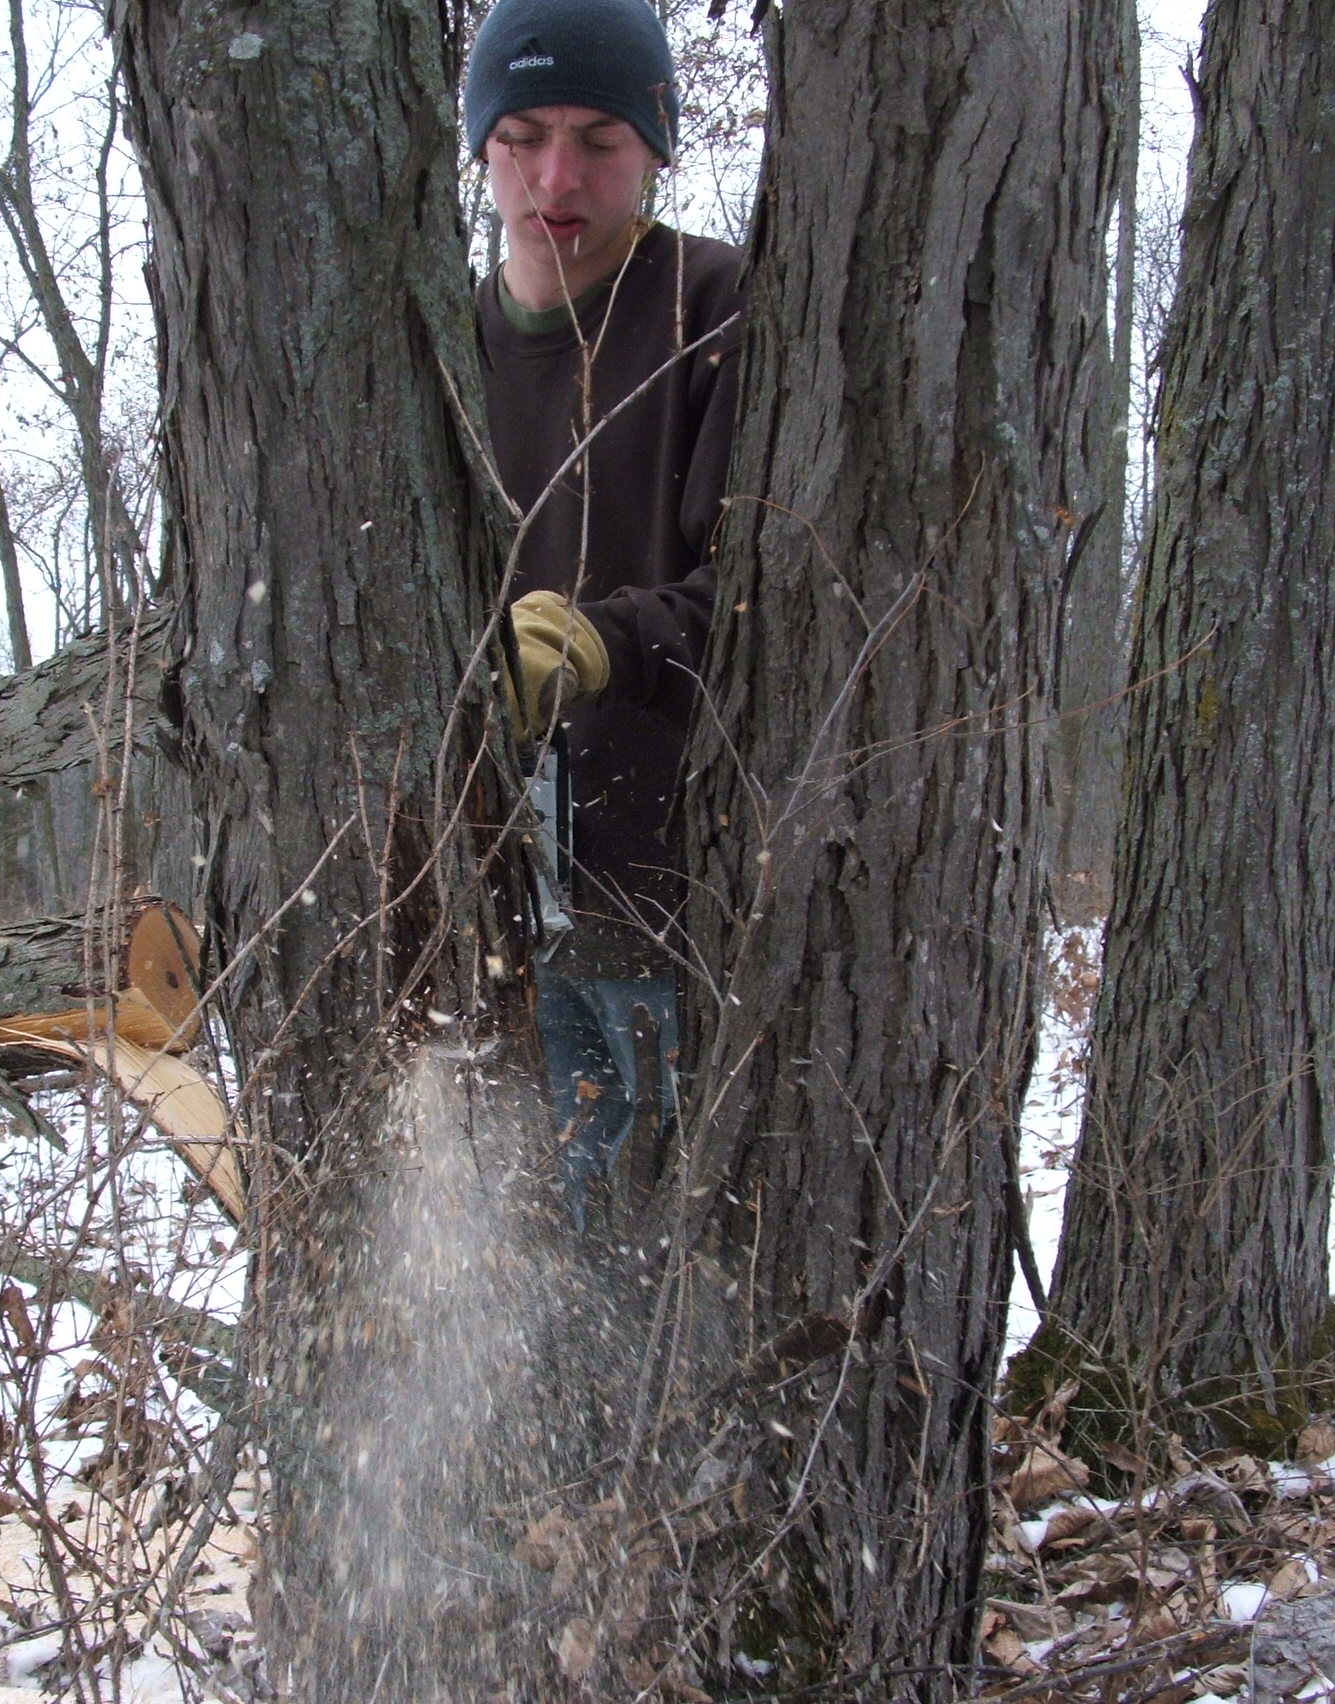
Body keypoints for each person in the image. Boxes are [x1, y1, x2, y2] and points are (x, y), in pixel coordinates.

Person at [464, 0, 743, 1229]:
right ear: (480, 147)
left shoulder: (715, 309)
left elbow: (763, 596)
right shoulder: (438, 348)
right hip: (472, 927)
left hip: (671, 915)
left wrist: (598, 645)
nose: (556, 179)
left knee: (652, 1279)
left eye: (598, 139)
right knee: (491, 1277)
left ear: (657, 149)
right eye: (521, 136)